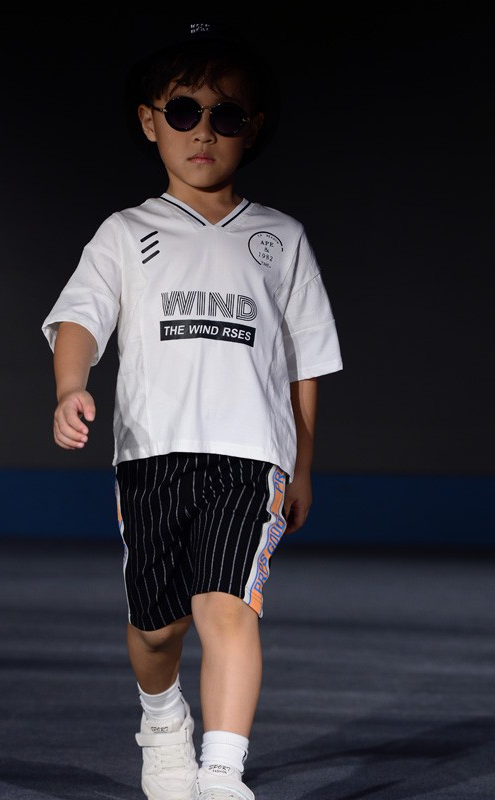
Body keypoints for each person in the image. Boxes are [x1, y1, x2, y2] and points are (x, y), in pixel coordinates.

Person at [42, 21, 343, 800]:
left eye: (225, 115)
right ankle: (162, 719)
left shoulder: (282, 239)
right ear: (151, 122)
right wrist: (71, 385)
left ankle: (220, 773)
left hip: (252, 456)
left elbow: (306, 362)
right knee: (158, 627)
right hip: (153, 452)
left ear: (253, 127)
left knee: (227, 606)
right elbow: (80, 319)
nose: (203, 132)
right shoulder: (126, 232)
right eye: (183, 112)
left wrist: (303, 465)